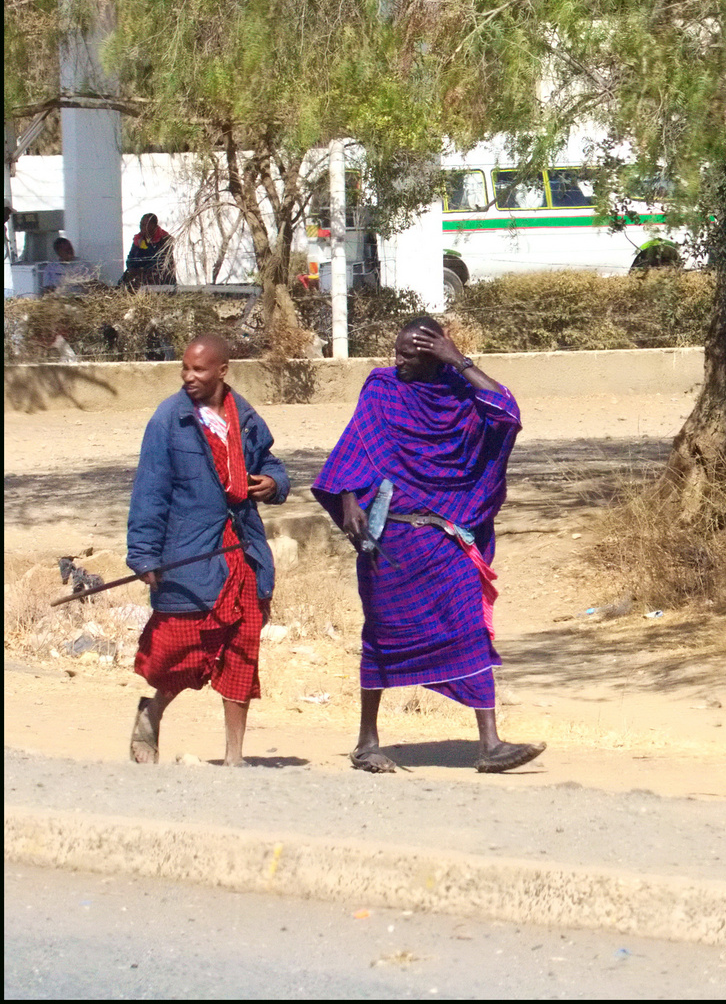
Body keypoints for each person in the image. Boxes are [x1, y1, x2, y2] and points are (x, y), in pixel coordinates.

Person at [312, 317, 543, 774]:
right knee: (381, 637)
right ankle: (366, 743)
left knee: (469, 629)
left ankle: (490, 745)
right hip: (392, 541)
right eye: (395, 352)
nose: (397, 362)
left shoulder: (461, 392)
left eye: (408, 356)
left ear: (434, 356)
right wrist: (348, 498)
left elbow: (508, 413)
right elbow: (353, 448)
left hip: (445, 538)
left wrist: (458, 359)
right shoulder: (381, 389)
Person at [126, 333, 288, 765]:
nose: (189, 376)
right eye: (185, 368)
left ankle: (235, 756)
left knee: (242, 650)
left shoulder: (245, 416)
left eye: (198, 370)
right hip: (190, 553)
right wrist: (144, 554)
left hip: (244, 552)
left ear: (222, 371)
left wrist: (274, 484)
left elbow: (269, 462)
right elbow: (150, 492)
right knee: (182, 647)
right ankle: (153, 709)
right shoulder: (169, 419)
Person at [123, 213, 176, 289]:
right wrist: (133, 270)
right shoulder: (139, 239)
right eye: (141, 224)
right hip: (140, 273)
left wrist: (141, 271)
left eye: (145, 224)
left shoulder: (164, 239)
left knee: (142, 281)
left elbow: (160, 263)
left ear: (153, 226)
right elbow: (131, 259)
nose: (141, 227)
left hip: (160, 276)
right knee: (125, 279)